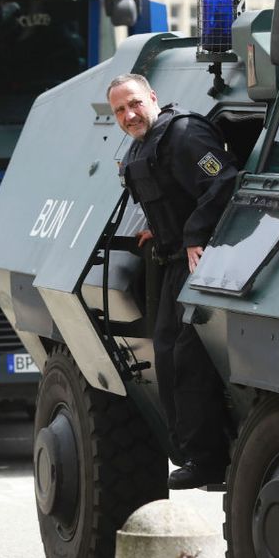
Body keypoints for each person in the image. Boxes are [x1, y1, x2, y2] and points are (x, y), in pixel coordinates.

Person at [111, 73, 237, 490]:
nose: (129, 115)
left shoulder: (183, 134)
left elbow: (223, 181)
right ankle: (192, 454)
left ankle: (209, 460)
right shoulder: (144, 142)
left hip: (200, 261)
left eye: (134, 104)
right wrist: (160, 229)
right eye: (120, 110)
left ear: (152, 97)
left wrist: (195, 233)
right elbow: (167, 193)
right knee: (166, 355)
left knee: (188, 359)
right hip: (171, 259)